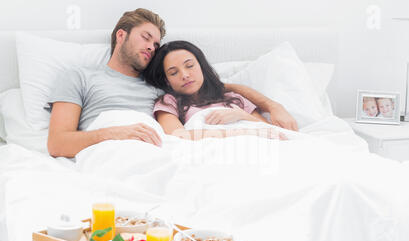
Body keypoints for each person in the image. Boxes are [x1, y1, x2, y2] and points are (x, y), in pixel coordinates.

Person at [46, 8, 297, 158]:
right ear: (121, 35)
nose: (151, 47)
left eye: (155, 44)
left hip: (161, 148)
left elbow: (217, 87)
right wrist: (115, 134)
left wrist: (273, 106)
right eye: (146, 38)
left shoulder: (163, 87)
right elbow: (57, 144)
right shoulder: (78, 76)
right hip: (112, 149)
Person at [144, 40, 286, 141]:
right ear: (167, 81)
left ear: (201, 66)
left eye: (189, 65)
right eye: (174, 73)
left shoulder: (234, 98)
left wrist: (240, 115)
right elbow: (178, 136)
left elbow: (272, 132)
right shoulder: (168, 102)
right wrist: (242, 133)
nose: (185, 75)